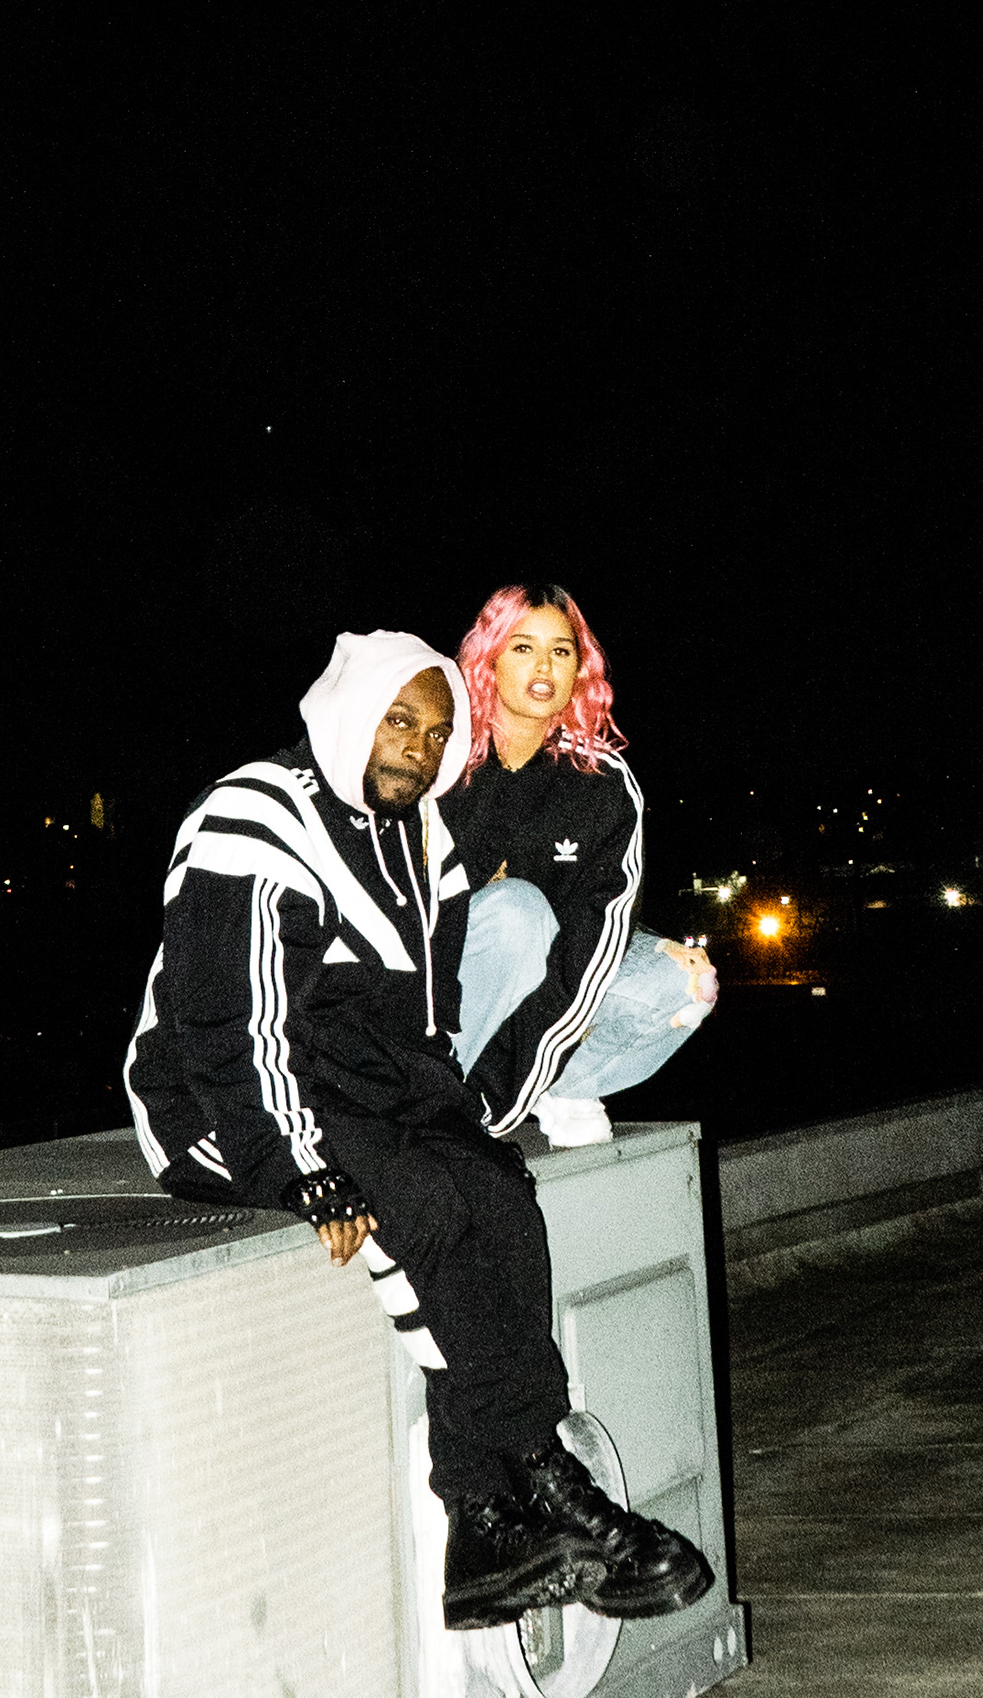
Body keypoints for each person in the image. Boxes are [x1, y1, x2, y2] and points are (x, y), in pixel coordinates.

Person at [124, 626, 714, 1632]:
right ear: (348, 713)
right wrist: (298, 1166)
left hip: (363, 1085)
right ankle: (545, 1478)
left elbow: (424, 1022)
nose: (418, 747)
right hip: (222, 1104)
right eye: (399, 721)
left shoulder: (423, 839)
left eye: (438, 734)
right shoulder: (254, 812)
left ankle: (482, 1532)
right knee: (423, 1207)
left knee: (500, 1195)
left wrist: (454, 1120)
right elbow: (226, 1020)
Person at [442, 583, 717, 1147]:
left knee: (687, 980)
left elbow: (596, 929)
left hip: (551, 968)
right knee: (517, 912)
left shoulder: (601, 782)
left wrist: (519, 1078)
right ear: (490, 657)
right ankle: (438, 1096)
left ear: (580, 668)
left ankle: (560, 1086)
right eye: (523, 647)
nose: (544, 666)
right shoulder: (442, 756)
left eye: (561, 651)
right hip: (444, 974)